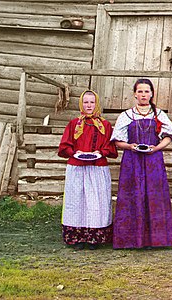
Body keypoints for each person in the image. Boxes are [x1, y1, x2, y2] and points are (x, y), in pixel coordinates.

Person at [110, 78, 172, 249]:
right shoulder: (126, 115)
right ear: (135, 94)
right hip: (132, 161)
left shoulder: (159, 115)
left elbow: (169, 136)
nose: (143, 94)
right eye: (140, 91)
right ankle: (131, 239)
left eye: (146, 91)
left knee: (153, 196)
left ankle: (155, 240)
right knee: (133, 195)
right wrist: (130, 146)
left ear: (151, 94)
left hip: (153, 161)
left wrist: (156, 149)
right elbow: (118, 141)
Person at [58, 90, 118, 250]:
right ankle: (77, 237)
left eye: (92, 102)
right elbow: (65, 145)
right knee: (76, 201)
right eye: (86, 102)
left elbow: (110, 147)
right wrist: (75, 153)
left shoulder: (104, 125)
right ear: (81, 104)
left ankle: (94, 237)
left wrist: (100, 152)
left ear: (96, 104)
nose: (89, 105)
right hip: (77, 168)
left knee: (95, 201)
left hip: (97, 169)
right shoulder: (73, 124)